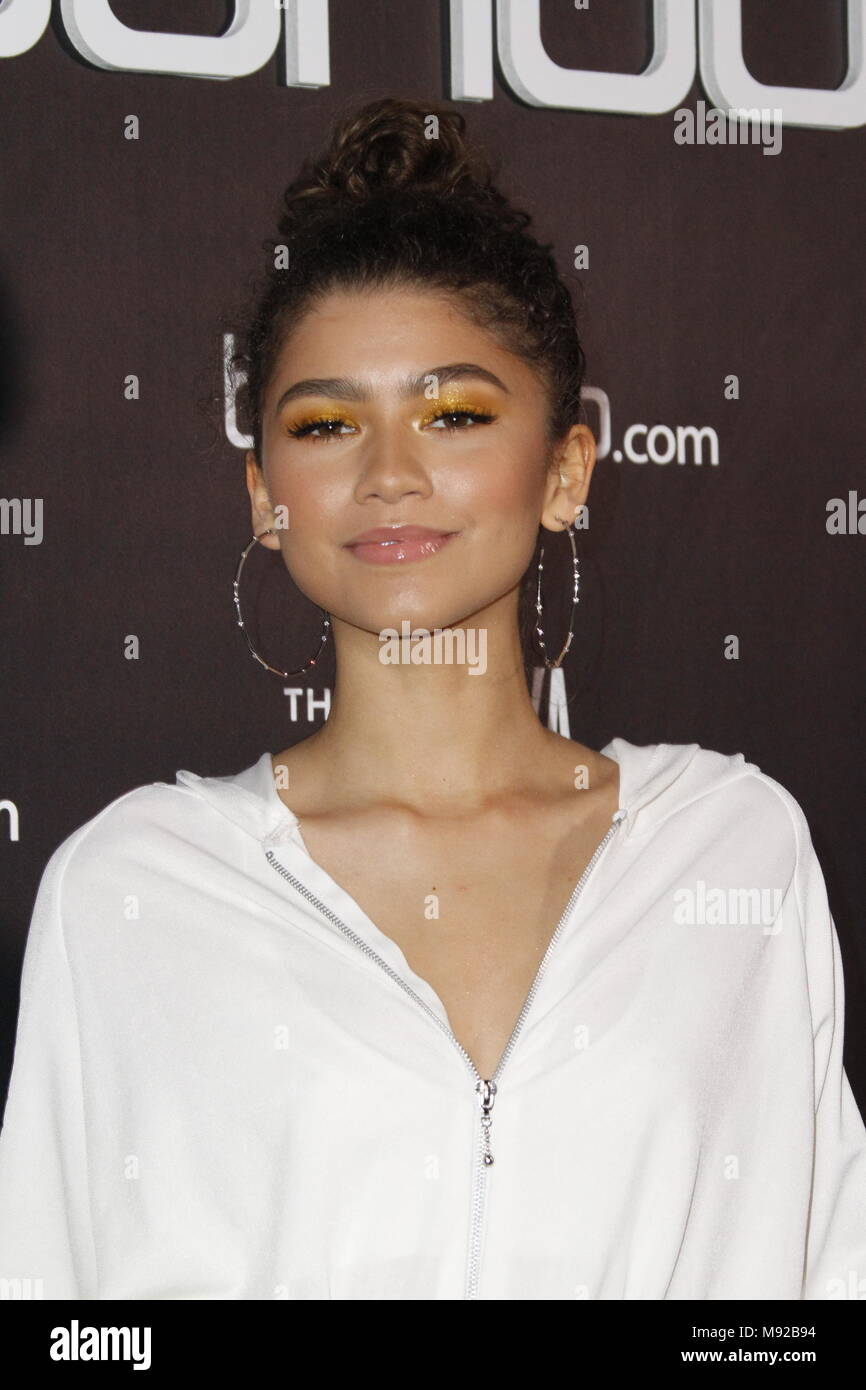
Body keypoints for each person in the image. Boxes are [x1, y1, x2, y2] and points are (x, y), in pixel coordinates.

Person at [1, 96, 865, 1302]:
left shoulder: (730, 847)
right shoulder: (131, 890)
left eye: (452, 413)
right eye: (326, 422)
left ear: (564, 469)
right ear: (265, 493)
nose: (389, 473)